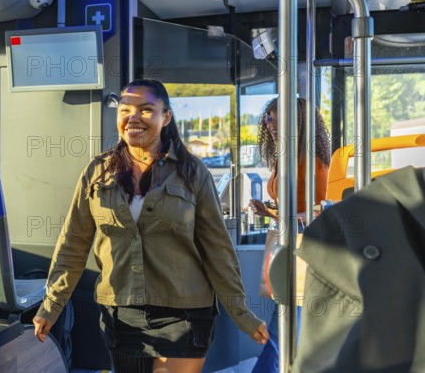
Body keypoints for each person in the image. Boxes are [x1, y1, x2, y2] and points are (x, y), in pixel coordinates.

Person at [33, 79, 268, 373]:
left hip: (184, 314)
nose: (133, 117)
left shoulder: (192, 172)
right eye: (125, 109)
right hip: (121, 312)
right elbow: (72, 243)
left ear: (165, 117)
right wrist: (52, 305)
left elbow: (218, 250)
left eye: (146, 110)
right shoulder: (97, 173)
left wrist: (242, 314)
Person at [249, 97, 331, 373]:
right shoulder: (288, 157)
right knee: (284, 325)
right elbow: (295, 208)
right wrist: (268, 211)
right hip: (287, 247)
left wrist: (280, 215)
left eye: (276, 117)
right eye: (268, 117)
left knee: (281, 329)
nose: (270, 123)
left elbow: (317, 211)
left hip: (304, 252)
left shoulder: (311, 159)